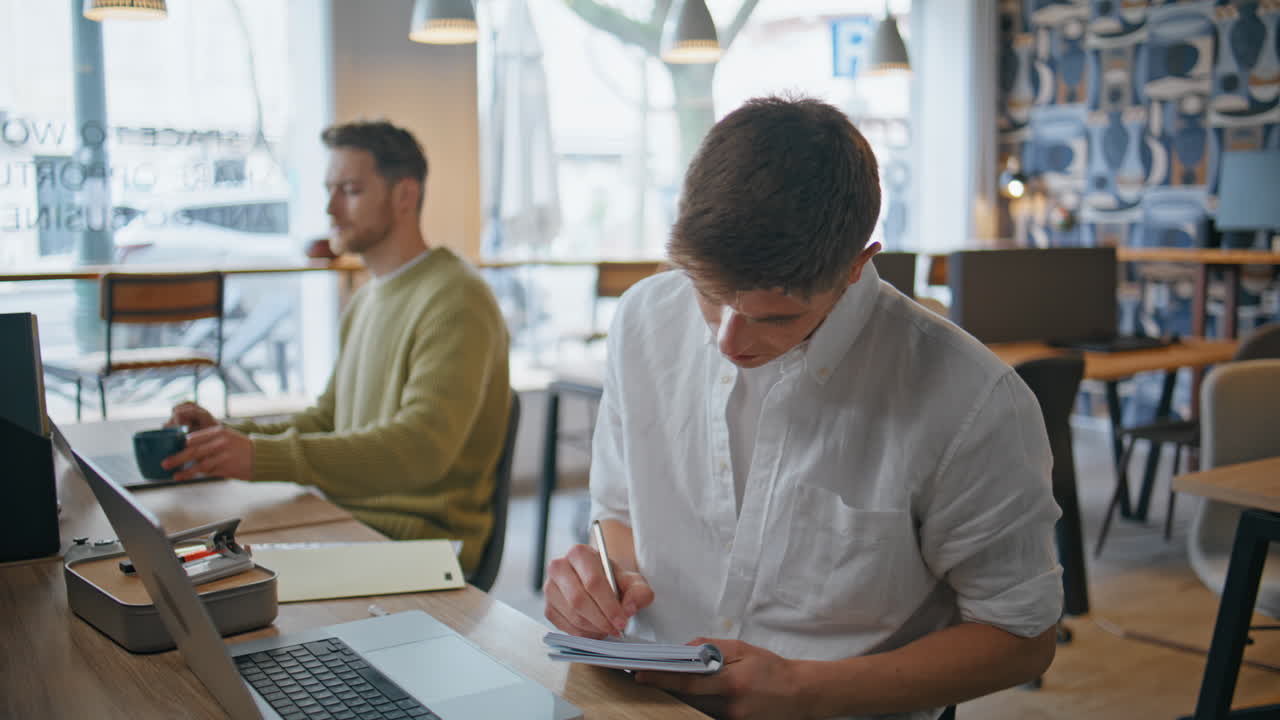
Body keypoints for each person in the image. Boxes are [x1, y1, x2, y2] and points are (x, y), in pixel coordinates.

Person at [543, 96, 1062, 720]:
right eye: (708, 295)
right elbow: (619, 512)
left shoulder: (971, 400)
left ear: (856, 266)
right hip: (646, 701)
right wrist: (603, 584)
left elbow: (1022, 640)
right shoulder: (644, 320)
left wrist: (805, 689)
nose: (728, 341)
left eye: (775, 316)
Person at [162, 120, 510, 574]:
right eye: (330, 189)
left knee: (217, 588)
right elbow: (328, 418)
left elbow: (422, 448)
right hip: (347, 523)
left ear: (404, 195)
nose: (330, 208)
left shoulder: (457, 298)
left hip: (417, 548)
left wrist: (259, 457)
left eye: (349, 190)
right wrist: (228, 437)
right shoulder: (368, 295)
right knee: (192, 564)